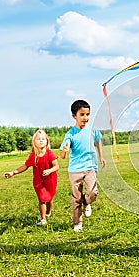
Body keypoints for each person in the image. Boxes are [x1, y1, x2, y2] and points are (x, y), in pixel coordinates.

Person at [60, 99, 106, 232]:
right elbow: (62, 156)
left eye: (87, 114)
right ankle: (77, 223)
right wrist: (65, 149)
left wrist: (101, 156)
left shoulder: (93, 130)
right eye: (82, 114)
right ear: (74, 116)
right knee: (76, 197)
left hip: (90, 167)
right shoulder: (70, 134)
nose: (85, 118)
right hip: (75, 170)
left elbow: (98, 141)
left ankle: (87, 202)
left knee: (93, 192)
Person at [5, 129, 59, 226]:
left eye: (43, 139)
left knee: (49, 199)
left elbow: (56, 166)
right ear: (34, 142)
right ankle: (43, 219)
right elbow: (25, 166)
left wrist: (49, 170)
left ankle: (48, 212)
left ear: (47, 141)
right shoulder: (33, 156)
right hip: (39, 181)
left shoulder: (49, 153)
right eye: (38, 139)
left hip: (50, 180)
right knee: (42, 199)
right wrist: (13, 172)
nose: (41, 140)